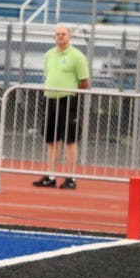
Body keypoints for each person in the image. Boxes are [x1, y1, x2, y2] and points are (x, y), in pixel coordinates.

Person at [33, 23, 90, 190]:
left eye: (63, 34)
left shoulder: (77, 56)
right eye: (57, 34)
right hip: (51, 98)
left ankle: (71, 178)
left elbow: (84, 81)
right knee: (51, 140)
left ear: (70, 36)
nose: (60, 36)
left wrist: (72, 94)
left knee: (70, 140)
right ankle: (50, 176)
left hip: (68, 99)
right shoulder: (49, 55)